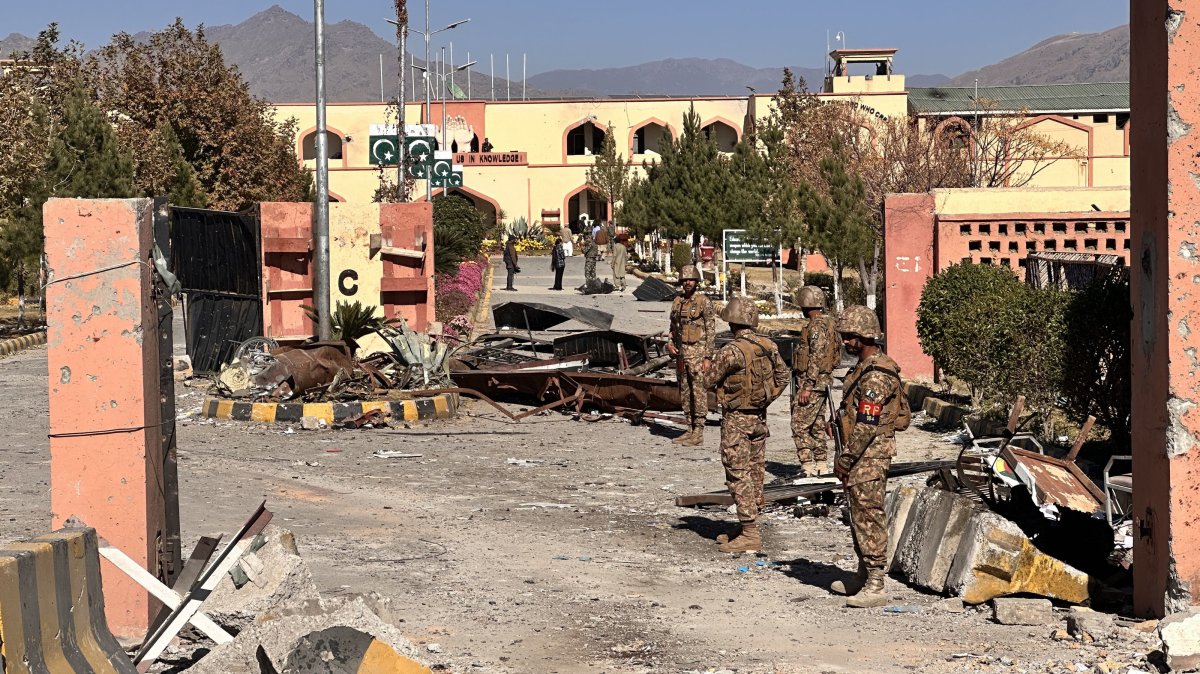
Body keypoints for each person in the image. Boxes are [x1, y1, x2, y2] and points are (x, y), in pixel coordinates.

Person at [831, 305, 909, 608]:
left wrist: (847, 458)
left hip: (869, 456)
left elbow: (867, 424)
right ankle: (863, 574)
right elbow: (856, 414)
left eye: (849, 337)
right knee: (858, 515)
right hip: (862, 453)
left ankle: (876, 583)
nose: (845, 342)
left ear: (863, 337)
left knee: (869, 516)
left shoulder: (876, 376)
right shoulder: (864, 368)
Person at [703, 296, 789, 554]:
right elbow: (783, 375)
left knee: (738, 473)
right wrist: (766, 398)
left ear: (732, 322)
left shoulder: (731, 351)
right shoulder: (768, 345)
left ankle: (750, 532)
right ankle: (746, 526)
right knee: (755, 471)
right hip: (759, 418)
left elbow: (708, 380)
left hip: (737, 420)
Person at [790, 286, 841, 477]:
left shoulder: (817, 327)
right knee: (817, 425)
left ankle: (807, 466)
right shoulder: (829, 324)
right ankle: (821, 463)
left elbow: (816, 356)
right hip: (822, 382)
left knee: (799, 424)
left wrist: (807, 386)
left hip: (813, 384)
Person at [667, 265, 715, 446]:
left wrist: (708, 357)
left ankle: (699, 432)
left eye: (691, 280)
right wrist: (670, 345)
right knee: (685, 393)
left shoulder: (704, 302)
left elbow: (711, 331)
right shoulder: (677, 302)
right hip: (681, 355)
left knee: (699, 393)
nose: (688, 283)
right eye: (685, 280)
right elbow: (672, 328)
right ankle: (689, 428)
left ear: (696, 281)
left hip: (698, 354)